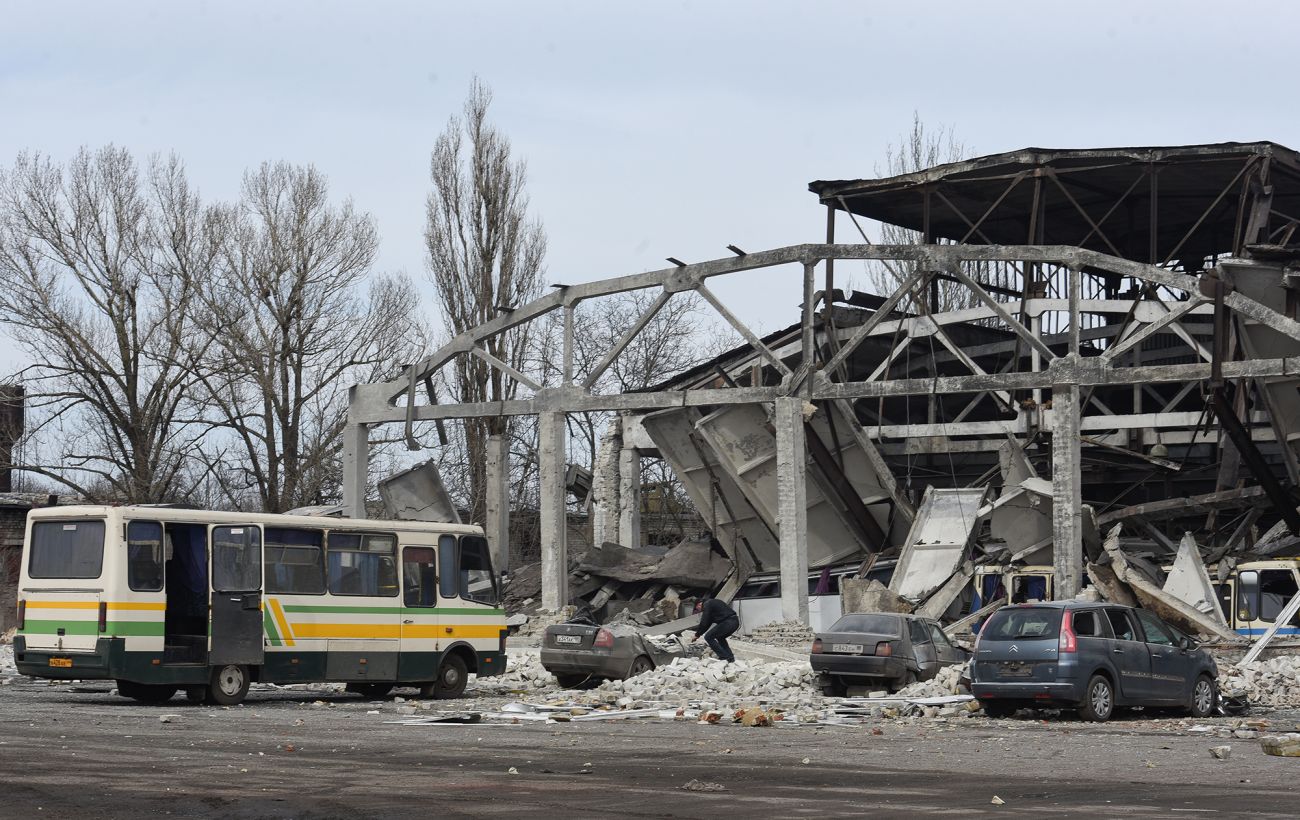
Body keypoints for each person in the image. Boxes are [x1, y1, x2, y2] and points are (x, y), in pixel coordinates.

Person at [691, 592, 739, 663]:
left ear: (699, 604)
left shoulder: (707, 604)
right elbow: (707, 623)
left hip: (728, 622)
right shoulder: (711, 604)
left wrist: (697, 634)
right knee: (720, 637)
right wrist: (698, 634)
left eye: (697, 609)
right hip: (734, 622)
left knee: (708, 637)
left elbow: (704, 622)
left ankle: (724, 657)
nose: (699, 611)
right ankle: (730, 658)